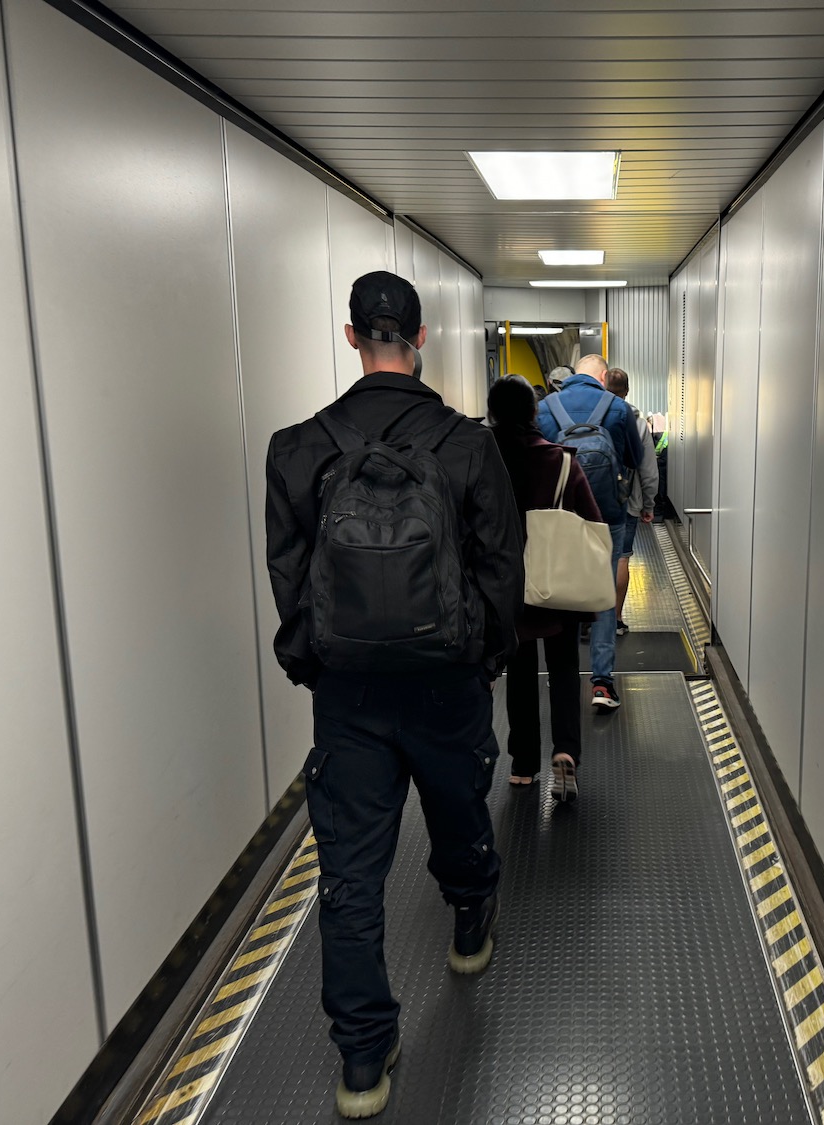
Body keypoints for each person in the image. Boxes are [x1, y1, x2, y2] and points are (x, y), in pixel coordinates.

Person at [263, 271, 523, 1119]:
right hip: (446, 682)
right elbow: (499, 567)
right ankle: (469, 919)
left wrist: (318, 669)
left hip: (348, 697)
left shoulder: (297, 447)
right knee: (459, 810)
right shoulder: (467, 444)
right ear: (422, 337)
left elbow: (290, 578)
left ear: (350, 338)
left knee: (350, 872)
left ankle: (365, 1061)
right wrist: (484, 660)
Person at [487, 375, 604, 800]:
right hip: (556, 580)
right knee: (564, 668)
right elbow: (591, 519)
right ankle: (566, 751)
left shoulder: (482, 460)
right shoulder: (560, 461)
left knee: (517, 671)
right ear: (534, 412)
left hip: (505, 585)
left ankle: (521, 765)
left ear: (493, 413)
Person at [536, 353, 644, 712]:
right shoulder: (617, 407)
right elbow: (633, 457)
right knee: (603, 595)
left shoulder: (546, 407)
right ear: (602, 377)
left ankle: (562, 673)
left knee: (563, 589)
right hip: (607, 514)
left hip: (561, 514)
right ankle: (602, 682)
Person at [604, 368, 659, 635]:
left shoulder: (595, 415)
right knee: (622, 558)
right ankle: (615, 619)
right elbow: (648, 469)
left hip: (592, 501)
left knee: (593, 559)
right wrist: (648, 505)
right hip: (627, 501)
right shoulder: (637, 421)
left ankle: (588, 621)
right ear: (627, 391)